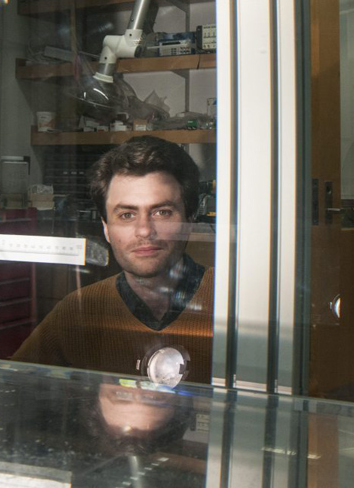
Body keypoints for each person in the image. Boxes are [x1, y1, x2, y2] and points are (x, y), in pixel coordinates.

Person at [13, 136, 213, 384]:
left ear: (189, 219)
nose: (144, 230)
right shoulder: (77, 310)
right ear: (106, 228)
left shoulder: (233, 303)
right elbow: (13, 393)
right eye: (127, 214)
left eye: (162, 212)